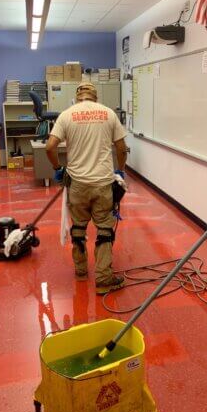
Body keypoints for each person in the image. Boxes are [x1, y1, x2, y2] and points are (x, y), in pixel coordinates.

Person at [46, 82, 128, 294]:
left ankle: (81, 271)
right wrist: (120, 171)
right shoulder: (109, 114)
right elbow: (121, 147)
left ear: (77, 97)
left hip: (78, 184)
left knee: (79, 229)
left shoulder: (66, 115)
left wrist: (58, 168)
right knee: (104, 230)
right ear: (95, 97)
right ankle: (103, 279)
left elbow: (50, 147)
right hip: (102, 183)